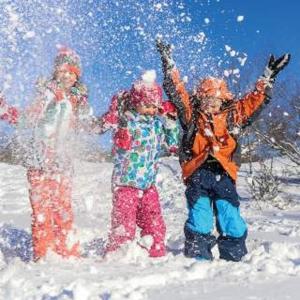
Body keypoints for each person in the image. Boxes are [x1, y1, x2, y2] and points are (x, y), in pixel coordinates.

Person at [156, 38, 290, 261]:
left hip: (224, 173)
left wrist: (268, 76)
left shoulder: (233, 115)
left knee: (231, 218)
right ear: (200, 99)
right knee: (201, 217)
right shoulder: (192, 116)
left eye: (216, 100)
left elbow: (254, 101)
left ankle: (234, 258)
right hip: (197, 173)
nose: (211, 104)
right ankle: (198, 259)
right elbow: (178, 93)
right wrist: (169, 64)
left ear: (224, 100)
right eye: (207, 99)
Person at [0, 46, 95, 260]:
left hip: (62, 165)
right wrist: (6, 109)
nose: (67, 76)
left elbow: (86, 123)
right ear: (55, 72)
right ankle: (43, 254)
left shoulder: (78, 99)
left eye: (71, 72)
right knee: (42, 213)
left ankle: (68, 254)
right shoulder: (46, 94)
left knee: (63, 210)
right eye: (62, 71)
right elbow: (26, 118)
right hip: (39, 163)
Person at [98, 70, 179, 257]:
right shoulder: (127, 121)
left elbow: (172, 144)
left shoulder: (157, 124)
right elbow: (114, 135)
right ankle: (120, 251)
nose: (151, 110)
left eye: (154, 106)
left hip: (148, 184)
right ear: (136, 103)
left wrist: (170, 121)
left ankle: (154, 248)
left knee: (153, 218)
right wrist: (116, 122)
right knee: (124, 220)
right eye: (147, 105)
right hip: (126, 183)